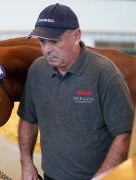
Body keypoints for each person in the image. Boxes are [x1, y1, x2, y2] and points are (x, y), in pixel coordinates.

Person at [17, 3, 134, 180]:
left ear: (76, 36)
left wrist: (102, 177)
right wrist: (26, 162)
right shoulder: (36, 71)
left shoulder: (106, 74)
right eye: (42, 41)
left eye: (54, 41)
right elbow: (28, 119)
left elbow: (122, 134)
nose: (47, 49)